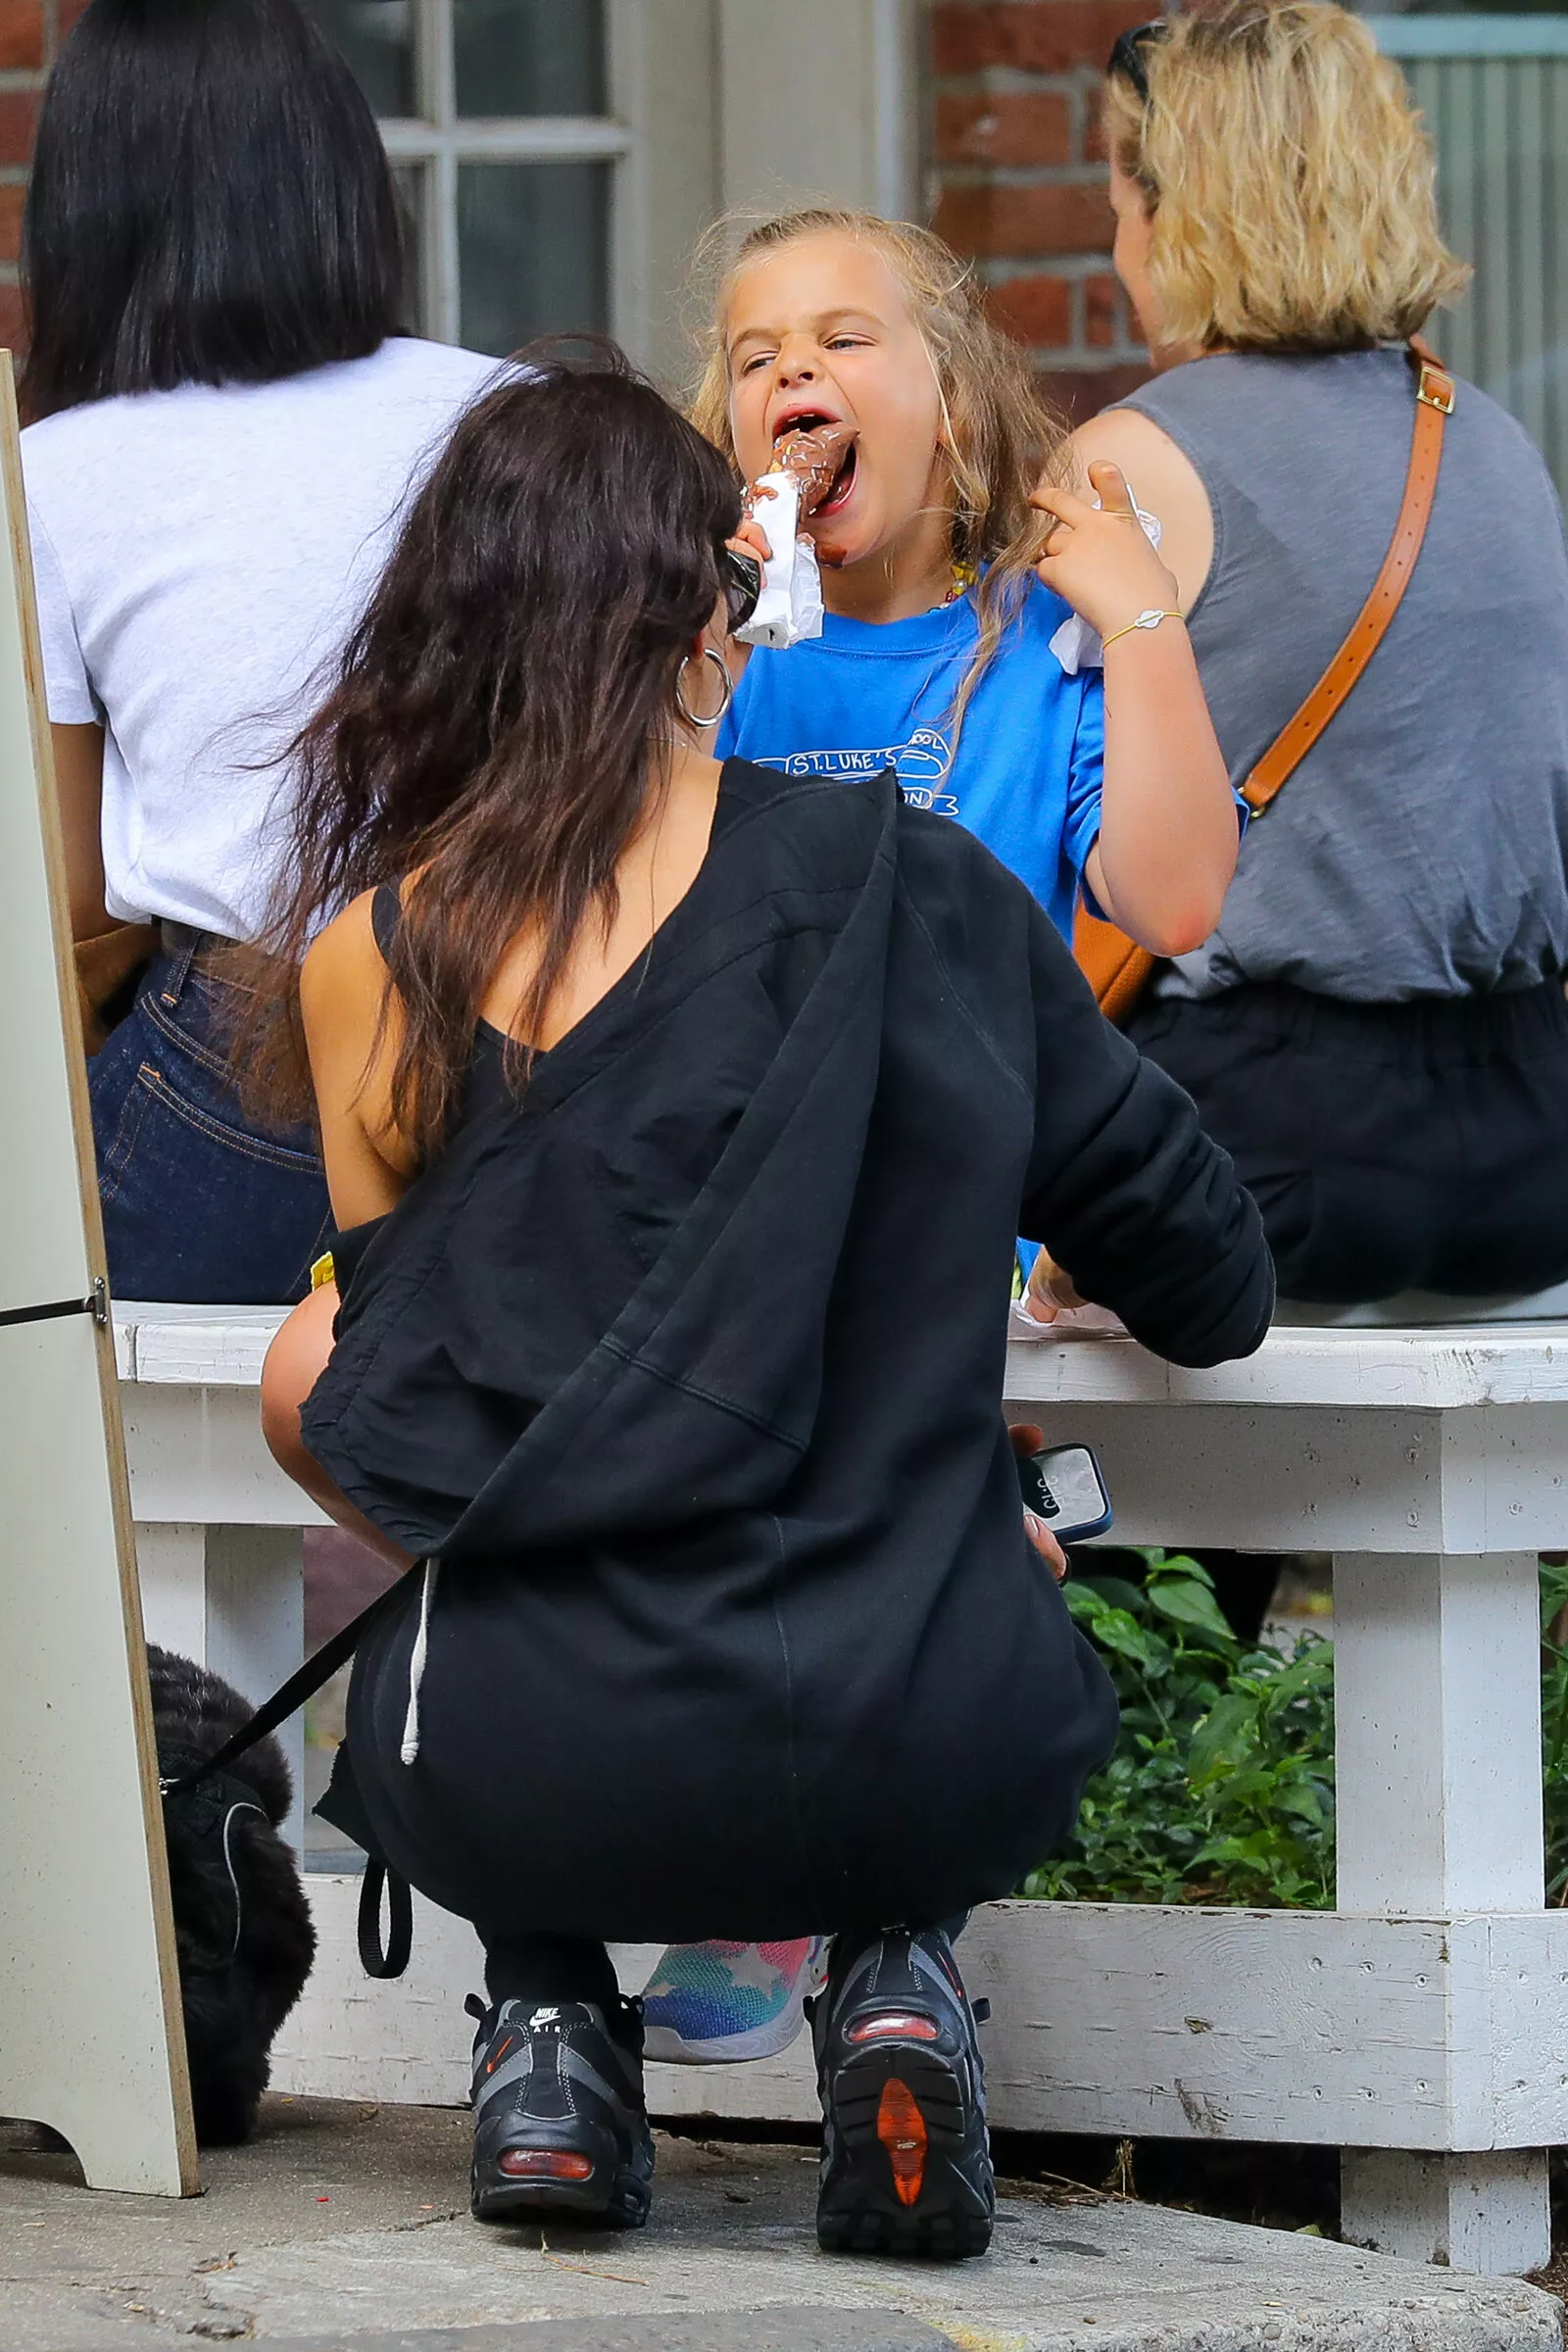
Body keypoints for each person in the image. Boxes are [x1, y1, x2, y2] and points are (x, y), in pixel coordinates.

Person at [257, 350, 1274, 2254]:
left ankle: (549, 2035)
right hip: (912, 1726)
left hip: (520, 1765)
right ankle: (894, 1983)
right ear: (708, 622)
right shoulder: (922, 889)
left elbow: (418, 1404)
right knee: (941, 1551)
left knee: (383, 1453)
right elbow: (1207, 1278)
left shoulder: (374, 959)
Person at [1050, 0, 1568, 1315]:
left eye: (1118, 201)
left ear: (1175, 208)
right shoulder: (1494, 441)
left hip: (1272, 1138)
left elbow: (1037, 808)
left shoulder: (1132, 460)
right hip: (1531, 1139)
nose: (1115, 246)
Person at [22, 0, 500, 1304]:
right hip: (527, 1028)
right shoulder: (511, 405)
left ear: (86, 213)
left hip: (249, 1051)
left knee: (77, 1378)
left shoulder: (51, 475)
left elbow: (71, 903)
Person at [691, 207, 1239, 960]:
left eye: (844, 340)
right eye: (755, 360)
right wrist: (695, 665)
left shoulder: (1048, 644)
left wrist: (1146, 626)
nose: (791, 366)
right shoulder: (710, 647)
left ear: (952, 403)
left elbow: (1177, 908)